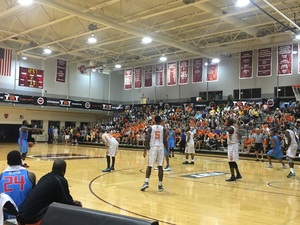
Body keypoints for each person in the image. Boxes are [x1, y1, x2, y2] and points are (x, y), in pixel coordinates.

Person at [17, 159, 82, 225]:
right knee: (63, 213)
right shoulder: (60, 180)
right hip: (32, 218)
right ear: (64, 170)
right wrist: (77, 205)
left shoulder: (44, 177)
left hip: (21, 214)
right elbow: (67, 202)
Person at [0, 151, 35, 221]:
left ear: (8, 162)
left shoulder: (1, 177)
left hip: (6, 216)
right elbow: (34, 197)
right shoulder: (30, 175)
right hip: (25, 216)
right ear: (20, 161)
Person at [141, 115, 168, 192]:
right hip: (161, 148)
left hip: (153, 147)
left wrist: (145, 149)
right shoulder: (163, 129)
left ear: (154, 120)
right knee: (160, 166)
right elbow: (165, 140)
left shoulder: (150, 128)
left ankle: (146, 182)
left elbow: (147, 139)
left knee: (149, 166)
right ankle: (160, 185)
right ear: (160, 121)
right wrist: (167, 150)